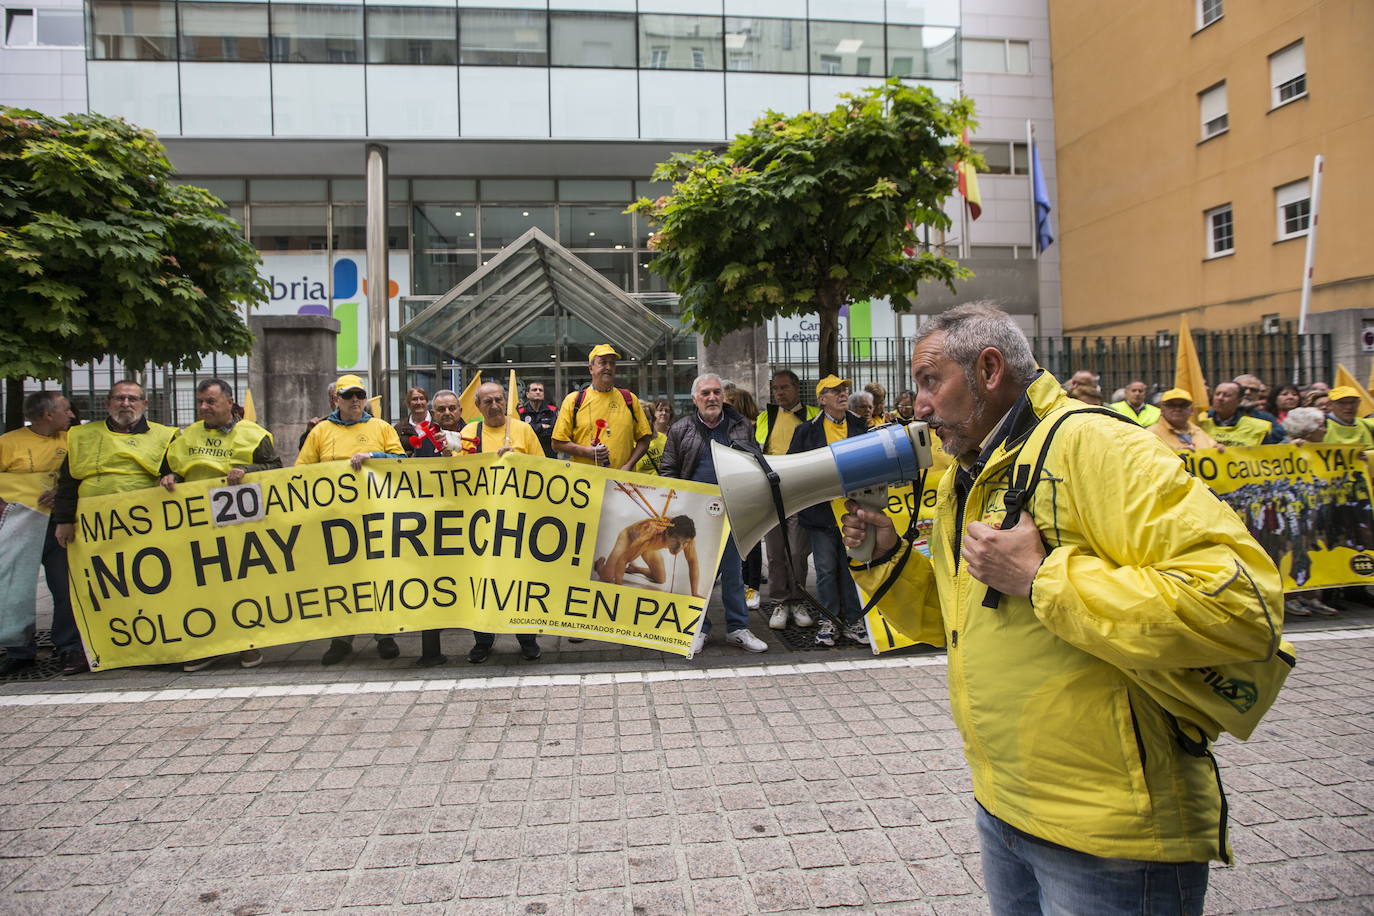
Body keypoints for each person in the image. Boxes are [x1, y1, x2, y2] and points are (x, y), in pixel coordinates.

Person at [839, 303, 1282, 913]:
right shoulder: (965, 479)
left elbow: (1240, 608)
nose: (918, 405)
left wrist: (1043, 576)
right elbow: (958, 623)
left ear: (989, 369)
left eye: (928, 381)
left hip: (1113, 838)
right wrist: (887, 558)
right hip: (1004, 810)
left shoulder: (1094, 443)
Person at [159, 378, 282, 672]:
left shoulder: (254, 435)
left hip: (237, 523)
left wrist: (248, 471)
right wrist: (170, 478)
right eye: (200, 401)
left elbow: (276, 469)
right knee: (200, 587)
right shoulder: (185, 437)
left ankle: (248, 644)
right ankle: (205, 646)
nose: (204, 407)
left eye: (211, 401)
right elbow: (169, 470)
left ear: (229, 402)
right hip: (194, 526)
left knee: (240, 586)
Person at [296, 374, 406, 665]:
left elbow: (402, 460)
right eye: (348, 396)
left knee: (379, 575)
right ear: (337, 400)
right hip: (335, 519)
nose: (355, 400)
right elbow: (301, 469)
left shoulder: (380, 427)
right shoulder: (320, 431)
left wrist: (372, 455)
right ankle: (341, 638)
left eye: (359, 395)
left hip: (374, 515)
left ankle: (385, 634)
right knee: (340, 579)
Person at [660, 373, 768, 654]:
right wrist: (677, 508)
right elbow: (669, 470)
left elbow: (755, 463)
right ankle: (698, 628)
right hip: (693, 514)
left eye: (716, 392)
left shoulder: (741, 426)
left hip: (731, 510)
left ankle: (738, 628)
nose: (711, 398)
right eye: (705, 393)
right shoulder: (680, 428)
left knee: (733, 572)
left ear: (723, 396)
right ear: (695, 399)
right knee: (697, 572)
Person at [0, 391, 85, 676]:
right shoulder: (8, 443)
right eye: (65, 410)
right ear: (48, 414)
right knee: (16, 588)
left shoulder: (73, 440)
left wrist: (61, 493)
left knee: (65, 587)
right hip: (19, 527)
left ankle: (69, 646)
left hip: (57, 525)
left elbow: (80, 476)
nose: (72, 415)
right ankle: (19, 650)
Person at [462, 382, 542, 663]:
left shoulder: (523, 430)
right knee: (481, 583)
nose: (494, 405)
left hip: (518, 519)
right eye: (487, 402)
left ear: (505, 401)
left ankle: (527, 639)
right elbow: (457, 476)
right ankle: (483, 639)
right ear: (478, 406)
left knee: (520, 581)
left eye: (498, 400)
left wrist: (517, 462)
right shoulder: (469, 433)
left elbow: (543, 471)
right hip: (481, 523)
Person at [789, 375, 869, 648]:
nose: (842, 394)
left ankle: (854, 621)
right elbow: (794, 467)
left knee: (850, 568)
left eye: (844, 390)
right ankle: (828, 620)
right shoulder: (805, 431)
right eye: (834, 391)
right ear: (821, 399)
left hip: (852, 512)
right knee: (824, 570)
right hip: (822, 514)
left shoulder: (860, 424)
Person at [54, 380, 176, 548]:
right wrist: (64, 520)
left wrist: (173, 476)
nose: (126, 404)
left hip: (144, 523)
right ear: (107, 403)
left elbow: (174, 475)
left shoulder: (164, 436)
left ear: (144, 404)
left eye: (132, 399)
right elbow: (68, 482)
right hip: (94, 525)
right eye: (120, 398)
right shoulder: (83, 435)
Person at [755, 370, 818, 630]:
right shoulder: (764, 417)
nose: (779, 393)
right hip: (772, 494)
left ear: (796, 388)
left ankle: (797, 599)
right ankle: (780, 601)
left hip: (800, 492)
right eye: (775, 389)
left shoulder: (813, 416)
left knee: (797, 550)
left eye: (783, 388)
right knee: (774, 553)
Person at [409, 388, 463, 667]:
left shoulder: (473, 434)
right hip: (433, 520)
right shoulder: (423, 436)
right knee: (431, 580)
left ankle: (482, 638)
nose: (446, 413)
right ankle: (430, 649)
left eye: (451, 408)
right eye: (440, 409)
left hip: (470, 519)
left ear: (461, 410)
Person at [1279, 407, 1341, 618]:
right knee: (1295, 553)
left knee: (1315, 552)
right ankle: (1290, 597)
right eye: (1321, 425)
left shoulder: (1323, 449)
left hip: (1316, 512)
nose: (1324, 429)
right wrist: (1290, 449)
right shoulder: (1283, 448)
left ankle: (1312, 596)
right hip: (1293, 514)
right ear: (1307, 430)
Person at [551, 344, 652, 471]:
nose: (608, 367)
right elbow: (557, 443)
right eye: (603, 363)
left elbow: (645, 438)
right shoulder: (574, 401)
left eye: (612, 363)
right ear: (591, 368)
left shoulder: (629, 399)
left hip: (621, 482)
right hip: (585, 481)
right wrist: (586, 452)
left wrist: (629, 464)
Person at [1201, 381, 1280, 446]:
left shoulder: (1258, 427)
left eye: (1226, 395)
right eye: (1217, 394)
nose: (1220, 398)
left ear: (1239, 401)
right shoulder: (1199, 420)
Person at [1148, 388, 1221, 451]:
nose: (1177, 409)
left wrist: (1218, 449)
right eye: (1171, 405)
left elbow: (1213, 447)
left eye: (1183, 405)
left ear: (1192, 410)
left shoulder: (1198, 431)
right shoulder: (1152, 433)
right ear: (1162, 410)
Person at [518, 380, 558, 458]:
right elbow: (520, 434)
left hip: (548, 454)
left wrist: (530, 428)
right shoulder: (521, 412)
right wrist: (541, 427)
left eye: (540, 390)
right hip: (527, 455)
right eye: (534, 390)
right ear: (527, 394)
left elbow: (553, 432)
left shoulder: (552, 411)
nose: (538, 392)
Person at [634, 399, 674, 475]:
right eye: (641, 419)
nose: (645, 422)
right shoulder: (630, 445)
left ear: (653, 419)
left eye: (648, 418)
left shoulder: (665, 439)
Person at [393, 386, 430, 454]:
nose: (419, 402)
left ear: (427, 402)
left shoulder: (437, 424)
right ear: (408, 403)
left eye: (422, 399)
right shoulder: (399, 429)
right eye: (414, 399)